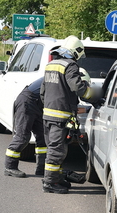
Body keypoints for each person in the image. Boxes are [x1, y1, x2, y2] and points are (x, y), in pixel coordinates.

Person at [39, 35, 100, 194]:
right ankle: (50, 182)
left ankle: (57, 178)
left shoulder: (51, 64)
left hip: (48, 115)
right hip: (60, 116)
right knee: (57, 151)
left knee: (55, 148)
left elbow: (43, 91)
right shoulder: (70, 65)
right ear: (76, 51)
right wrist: (95, 97)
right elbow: (78, 88)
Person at [4, 77, 47, 178]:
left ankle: (41, 169)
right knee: (22, 136)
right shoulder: (57, 79)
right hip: (27, 102)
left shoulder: (60, 78)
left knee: (43, 136)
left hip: (37, 103)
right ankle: (10, 167)